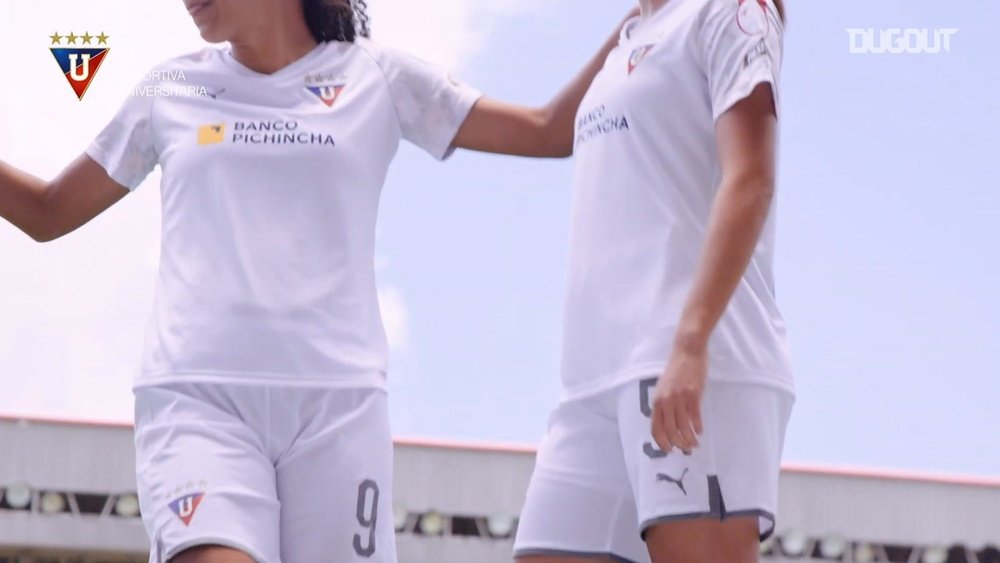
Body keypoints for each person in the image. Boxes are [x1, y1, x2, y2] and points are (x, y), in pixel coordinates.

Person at [0, 0, 638, 561]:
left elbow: (549, 131)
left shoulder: (381, 77)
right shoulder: (168, 85)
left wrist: (651, 12)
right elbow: (50, 211)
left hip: (339, 409)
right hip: (198, 401)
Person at [512, 0, 793, 562]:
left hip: (692, 361)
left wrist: (690, 343)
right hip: (591, 383)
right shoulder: (631, 37)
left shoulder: (728, 11)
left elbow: (751, 179)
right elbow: (547, 127)